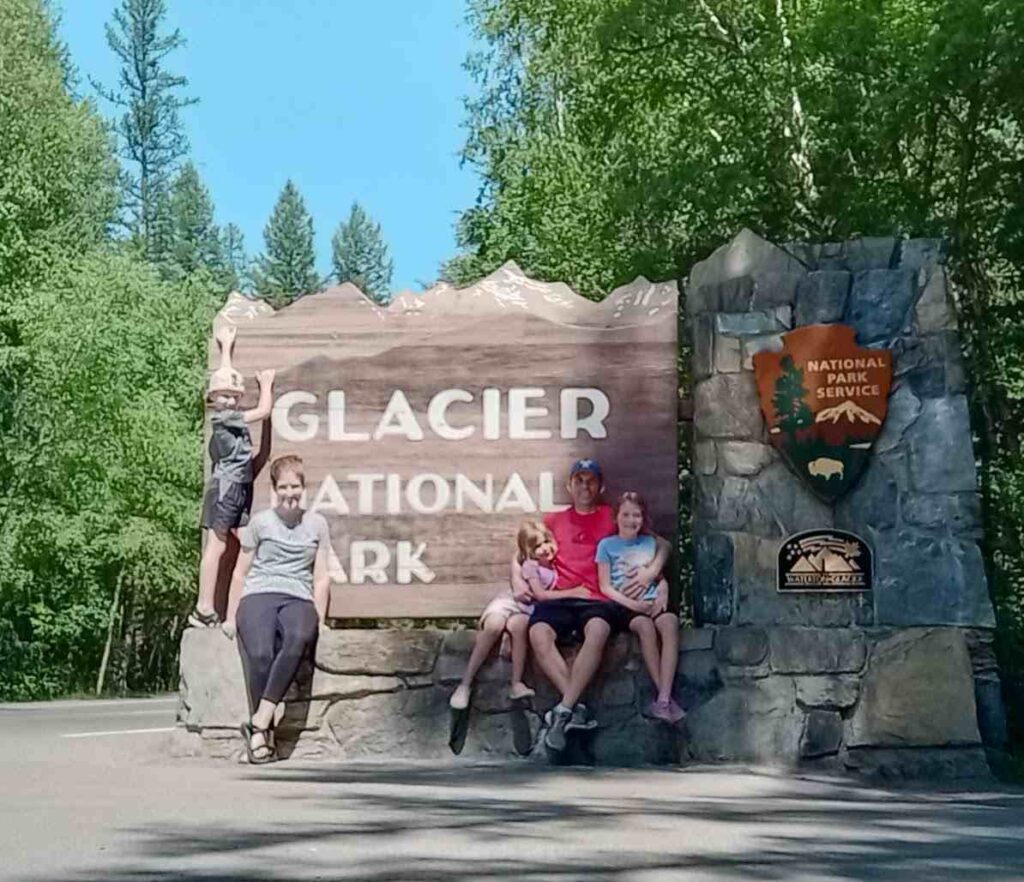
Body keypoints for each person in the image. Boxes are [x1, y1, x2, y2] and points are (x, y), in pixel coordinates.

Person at [519, 459, 671, 752]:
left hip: (598, 599)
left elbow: (661, 544)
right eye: (579, 480)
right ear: (570, 486)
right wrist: (519, 585)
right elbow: (522, 555)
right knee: (538, 633)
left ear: (599, 486)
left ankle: (563, 709)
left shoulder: (610, 516)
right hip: (563, 596)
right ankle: (575, 707)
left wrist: (654, 574)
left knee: (599, 630)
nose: (584, 486)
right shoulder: (553, 521)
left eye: (590, 481)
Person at [224, 454, 330, 763]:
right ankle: (263, 735)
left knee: (298, 636)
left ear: (303, 487)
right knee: (260, 654)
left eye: (294, 486)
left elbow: (321, 577)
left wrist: (320, 620)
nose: (289, 493)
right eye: (283, 487)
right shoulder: (261, 523)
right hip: (260, 594)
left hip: (298, 596)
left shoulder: (317, 524)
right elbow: (240, 573)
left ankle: (260, 719)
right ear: (274, 489)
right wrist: (230, 617)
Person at [190, 323, 275, 628]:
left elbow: (226, 380)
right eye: (222, 396)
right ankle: (203, 606)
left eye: (233, 395)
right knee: (218, 544)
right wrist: (266, 384)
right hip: (226, 486)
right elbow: (264, 411)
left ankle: (237, 608)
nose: (229, 399)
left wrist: (226, 348)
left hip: (240, 485)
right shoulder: (225, 418)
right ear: (212, 398)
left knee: (244, 541)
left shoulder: (228, 409)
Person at [449, 520, 559, 713]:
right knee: (493, 626)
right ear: (528, 550)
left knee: (519, 627)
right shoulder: (528, 564)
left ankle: (517, 683)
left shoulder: (554, 567)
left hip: (526, 610)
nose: (543, 549)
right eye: (537, 546)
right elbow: (527, 582)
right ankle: (465, 684)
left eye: (545, 542)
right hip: (508, 603)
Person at [597, 491, 684, 723]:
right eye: (625, 515)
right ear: (616, 517)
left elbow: (658, 570)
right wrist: (634, 604)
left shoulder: (649, 543)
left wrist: (662, 588)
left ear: (643, 519)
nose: (631, 520)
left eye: (637, 515)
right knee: (645, 628)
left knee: (670, 623)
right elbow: (605, 587)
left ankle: (664, 699)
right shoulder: (607, 545)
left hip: (655, 601)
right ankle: (664, 696)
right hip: (627, 606)